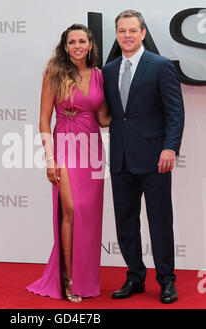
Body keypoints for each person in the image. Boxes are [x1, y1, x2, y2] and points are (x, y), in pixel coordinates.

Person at [103, 10, 184, 304]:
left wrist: (170, 147)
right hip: (122, 159)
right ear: (116, 34)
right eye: (122, 31)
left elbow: (175, 111)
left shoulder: (160, 66)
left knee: (160, 221)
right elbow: (112, 114)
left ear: (143, 33)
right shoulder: (109, 70)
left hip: (154, 159)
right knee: (125, 222)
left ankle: (167, 281)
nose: (127, 35)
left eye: (132, 30)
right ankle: (135, 277)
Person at [26, 23, 110, 302]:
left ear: (90, 45)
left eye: (82, 41)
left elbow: (103, 118)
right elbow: (43, 120)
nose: (77, 46)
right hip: (64, 146)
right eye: (71, 41)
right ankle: (68, 279)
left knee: (88, 216)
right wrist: (49, 159)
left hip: (92, 149)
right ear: (65, 46)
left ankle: (86, 278)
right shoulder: (55, 72)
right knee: (70, 210)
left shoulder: (99, 75)